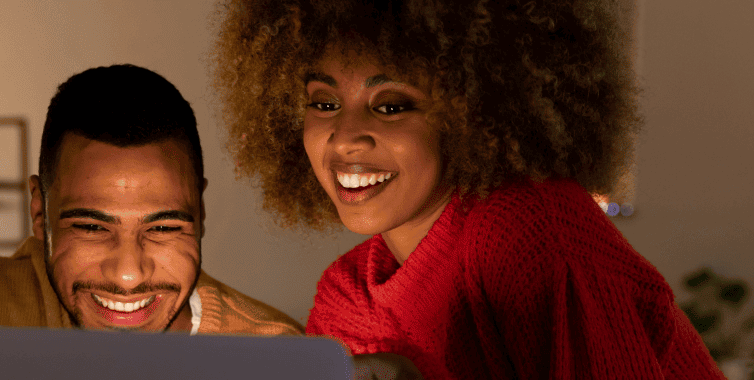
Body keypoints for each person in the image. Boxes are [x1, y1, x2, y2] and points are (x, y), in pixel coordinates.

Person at [211, 0, 723, 378]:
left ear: (474, 114)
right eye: (323, 103)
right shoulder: (347, 297)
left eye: (391, 105)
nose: (344, 138)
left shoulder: (528, 232)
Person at [0, 64, 302, 336]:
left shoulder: (278, 357)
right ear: (39, 212)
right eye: (92, 227)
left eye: (162, 228)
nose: (128, 276)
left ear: (201, 211)